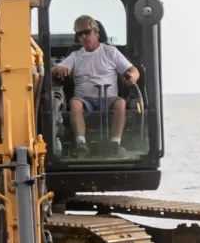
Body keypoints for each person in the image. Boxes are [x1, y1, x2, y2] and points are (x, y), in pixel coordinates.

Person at [51, 16, 140, 150]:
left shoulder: (111, 52)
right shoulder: (75, 56)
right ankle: (81, 143)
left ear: (96, 32)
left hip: (110, 99)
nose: (83, 36)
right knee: (75, 104)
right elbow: (53, 71)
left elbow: (133, 70)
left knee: (121, 103)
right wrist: (59, 69)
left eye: (87, 32)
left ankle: (115, 144)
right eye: (79, 34)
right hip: (84, 100)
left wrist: (132, 77)